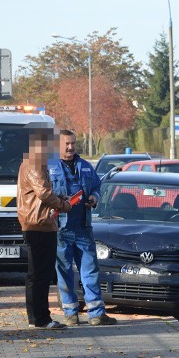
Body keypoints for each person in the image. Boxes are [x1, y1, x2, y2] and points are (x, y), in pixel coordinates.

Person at [50, 129, 117, 326]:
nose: (71, 147)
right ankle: (71, 313)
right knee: (64, 272)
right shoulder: (49, 167)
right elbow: (44, 193)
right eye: (66, 144)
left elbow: (97, 186)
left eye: (73, 143)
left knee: (90, 270)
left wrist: (94, 197)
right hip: (61, 228)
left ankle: (96, 313)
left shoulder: (86, 166)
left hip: (83, 228)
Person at [17, 129, 73, 329]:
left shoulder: (33, 162)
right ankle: (41, 318)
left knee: (37, 273)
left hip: (37, 222)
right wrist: (63, 204)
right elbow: (44, 193)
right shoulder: (35, 163)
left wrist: (58, 198)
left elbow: (43, 192)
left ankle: (37, 317)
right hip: (39, 223)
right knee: (41, 273)